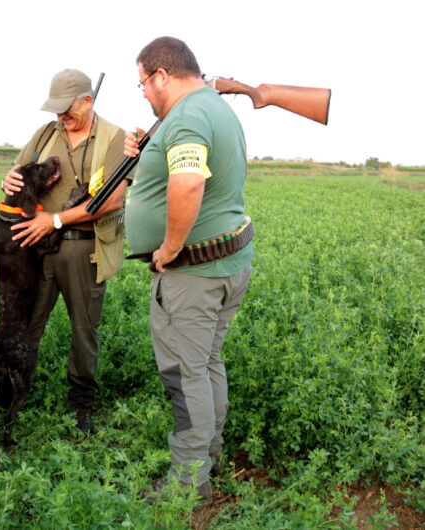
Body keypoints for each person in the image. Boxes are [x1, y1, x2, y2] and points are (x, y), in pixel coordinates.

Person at [124, 37, 253, 504]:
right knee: (206, 363)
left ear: (161, 75)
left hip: (193, 274)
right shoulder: (210, 108)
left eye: (142, 83)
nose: (142, 93)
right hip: (224, 263)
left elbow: (189, 181)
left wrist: (169, 247)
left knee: (184, 373)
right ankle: (209, 451)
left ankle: (188, 481)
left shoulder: (191, 115)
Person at [1, 69, 127, 433]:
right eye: (55, 109)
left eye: (67, 109)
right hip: (35, 249)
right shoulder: (45, 134)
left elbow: (112, 200)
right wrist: (7, 179)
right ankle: (10, 399)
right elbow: (17, 172)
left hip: (83, 248)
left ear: (87, 100)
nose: (60, 117)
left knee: (83, 331)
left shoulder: (113, 138)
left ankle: (81, 406)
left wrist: (55, 221)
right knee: (25, 326)